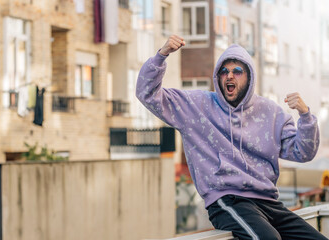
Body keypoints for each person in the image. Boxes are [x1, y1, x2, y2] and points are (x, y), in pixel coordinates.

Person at [136, 35, 327, 240]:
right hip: (227, 199)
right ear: (217, 78)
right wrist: (161, 56)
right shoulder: (196, 107)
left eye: (237, 71)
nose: (229, 76)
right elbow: (147, 94)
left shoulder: (271, 113)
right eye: (224, 71)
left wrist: (306, 116)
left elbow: (303, 152)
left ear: (249, 77)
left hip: (269, 201)